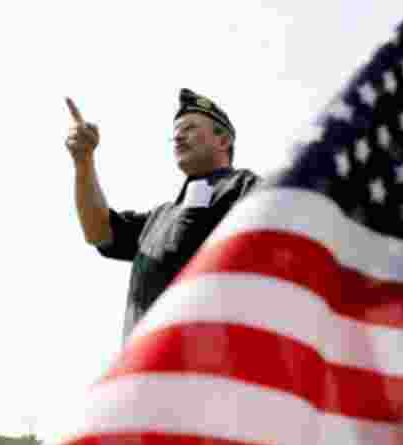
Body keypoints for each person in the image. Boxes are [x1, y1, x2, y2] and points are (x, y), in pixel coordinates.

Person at [65, 89, 261, 339]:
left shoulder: (244, 187)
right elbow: (98, 231)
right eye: (177, 131)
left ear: (223, 141)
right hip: (146, 366)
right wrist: (83, 161)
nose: (179, 136)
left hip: (210, 361)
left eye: (190, 128)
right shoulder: (159, 218)